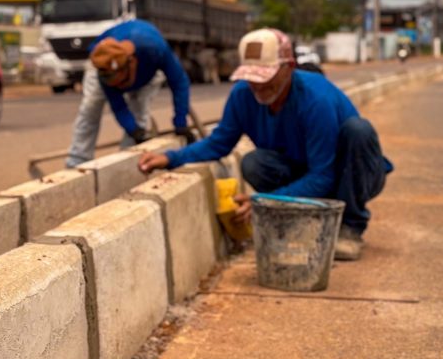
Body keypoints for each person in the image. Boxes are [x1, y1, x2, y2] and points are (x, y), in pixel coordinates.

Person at [138, 28, 393, 261]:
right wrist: (171, 158)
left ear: (288, 67)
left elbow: (323, 175)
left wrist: (263, 200)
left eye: (266, 77)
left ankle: (349, 227)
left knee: (358, 130)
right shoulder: (242, 95)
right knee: (254, 163)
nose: (258, 85)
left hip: (348, 176)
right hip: (304, 171)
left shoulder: (316, 100)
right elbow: (219, 143)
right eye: (252, 77)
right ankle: (299, 218)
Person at [65, 19, 193, 168]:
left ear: (131, 63)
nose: (119, 87)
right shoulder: (104, 67)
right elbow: (118, 106)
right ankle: (77, 161)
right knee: (90, 108)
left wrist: (181, 123)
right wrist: (133, 130)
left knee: (139, 113)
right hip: (107, 63)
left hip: (146, 70)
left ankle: (130, 160)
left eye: (120, 82)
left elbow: (179, 82)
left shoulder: (154, 50)